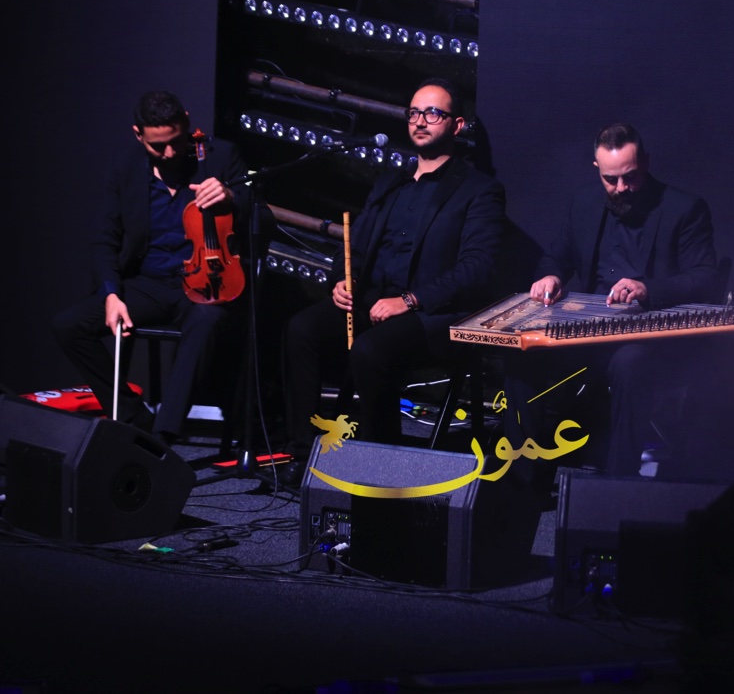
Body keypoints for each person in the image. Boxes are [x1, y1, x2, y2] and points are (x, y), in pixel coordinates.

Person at [281, 79, 505, 482]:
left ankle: (382, 470)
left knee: (370, 350)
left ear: (456, 125)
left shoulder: (479, 190)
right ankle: (306, 456)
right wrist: (342, 279)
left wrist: (411, 300)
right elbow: (354, 247)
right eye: (414, 113)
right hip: (373, 301)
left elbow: (479, 267)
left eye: (432, 113)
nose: (420, 121)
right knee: (302, 330)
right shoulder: (390, 183)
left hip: (431, 315)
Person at [504, 123, 721, 479]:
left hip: (649, 339)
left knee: (629, 364)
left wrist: (647, 289)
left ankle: (616, 485)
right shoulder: (584, 202)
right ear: (597, 169)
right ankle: (522, 480)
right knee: (522, 356)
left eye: (630, 177)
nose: (621, 188)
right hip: (590, 333)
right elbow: (555, 257)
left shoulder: (685, 208)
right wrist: (551, 276)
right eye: (610, 179)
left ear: (646, 162)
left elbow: (706, 278)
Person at [53, 90, 246, 443]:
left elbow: (261, 216)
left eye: (176, 141)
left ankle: (163, 434)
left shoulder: (220, 156)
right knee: (69, 326)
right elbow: (105, 238)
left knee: (208, 319)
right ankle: (134, 417)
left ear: (186, 122)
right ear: (138, 135)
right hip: (147, 284)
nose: (170, 153)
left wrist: (232, 196)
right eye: (158, 146)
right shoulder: (125, 167)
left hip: (204, 282)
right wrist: (111, 295)